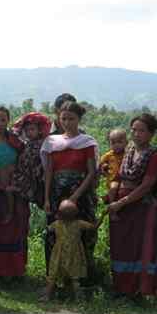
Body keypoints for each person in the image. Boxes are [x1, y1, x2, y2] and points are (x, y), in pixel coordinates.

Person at [108, 113, 157, 312]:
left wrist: (122, 202)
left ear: (151, 134)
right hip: (123, 207)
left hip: (142, 207)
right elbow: (118, 176)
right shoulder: (129, 151)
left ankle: (150, 292)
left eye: (141, 130)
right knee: (123, 247)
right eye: (133, 130)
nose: (136, 134)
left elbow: (146, 185)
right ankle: (125, 290)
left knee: (145, 249)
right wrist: (112, 196)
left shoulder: (155, 155)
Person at [41, 101, 99, 289]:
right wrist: (47, 198)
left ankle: (82, 282)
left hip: (80, 195)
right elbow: (49, 171)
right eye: (63, 118)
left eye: (71, 118)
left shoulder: (87, 142)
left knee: (82, 236)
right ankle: (54, 281)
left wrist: (76, 197)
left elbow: (91, 172)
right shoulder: (52, 142)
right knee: (54, 236)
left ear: (79, 119)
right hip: (57, 195)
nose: (66, 122)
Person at [0, 106, 29, 282]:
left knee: (15, 232)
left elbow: (26, 164)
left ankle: (16, 271)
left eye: (3, 120)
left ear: (8, 121)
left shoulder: (16, 142)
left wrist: (14, 182)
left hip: (15, 194)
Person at [43, 200, 105, 300]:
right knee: (75, 278)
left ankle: (47, 296)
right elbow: (93, 227)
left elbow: (47, 230)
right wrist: (102, 216)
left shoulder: (56, 224)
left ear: (59, 214)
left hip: (59, 254)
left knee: (52, 276)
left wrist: (48, 214)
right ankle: (78, 298)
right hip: (75, 254)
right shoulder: (79, 224)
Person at [11, 111, 52, 206]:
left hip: (40, 180)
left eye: (32, 129)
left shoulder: (43, 144)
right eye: (27, 130)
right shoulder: (26, 145)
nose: (29, 132)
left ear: (39, 130)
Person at [98, 128, 128, 220]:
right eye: (113, 143)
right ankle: (112, 209)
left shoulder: (128, 153)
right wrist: (104, 166)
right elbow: (99, 164)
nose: (116, 145)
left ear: (126, 142)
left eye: (119, 142)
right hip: (114, 179)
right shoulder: (108, 155)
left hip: (126, 179)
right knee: (114, 187)